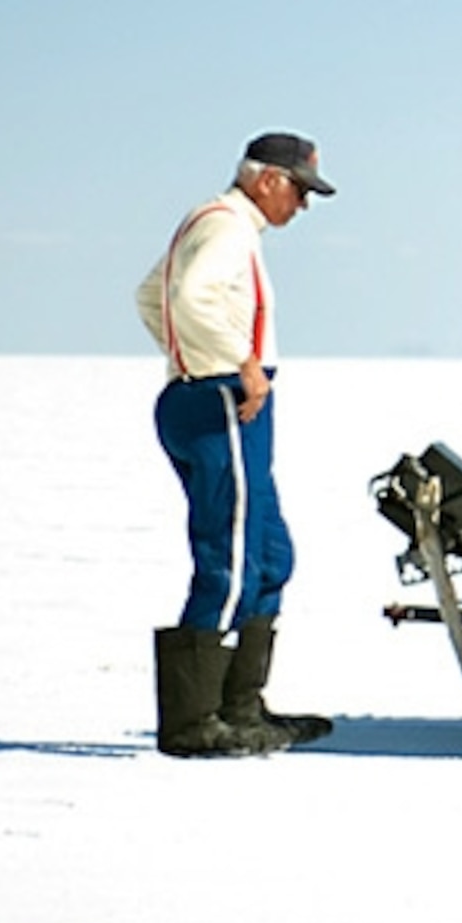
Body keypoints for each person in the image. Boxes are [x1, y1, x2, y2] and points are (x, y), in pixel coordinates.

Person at [133, 132, 338, 757]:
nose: (301, 207)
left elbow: (150, 296)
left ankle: (240, 707)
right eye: (299, 191)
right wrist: (233, 364)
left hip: (217, 395)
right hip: (220, 399)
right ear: (267, 179)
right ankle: (194, 723)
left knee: (269, 554)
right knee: (231, 557)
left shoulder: (225, 225)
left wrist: (191, 354)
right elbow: (185, 295)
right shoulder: (226, 227)